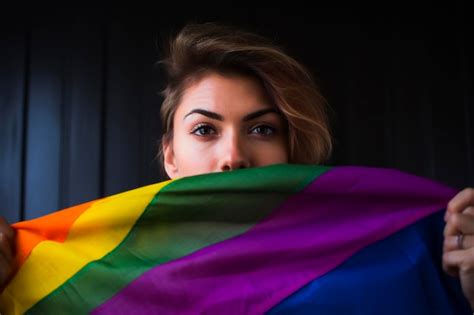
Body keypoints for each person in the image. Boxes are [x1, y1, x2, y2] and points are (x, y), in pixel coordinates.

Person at [1, 22, 474, 310]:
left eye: (262, 129)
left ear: (293, 149)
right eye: (205, 130)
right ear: (170, 155)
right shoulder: (91, 276)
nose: (234, 157)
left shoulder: (399, 255)